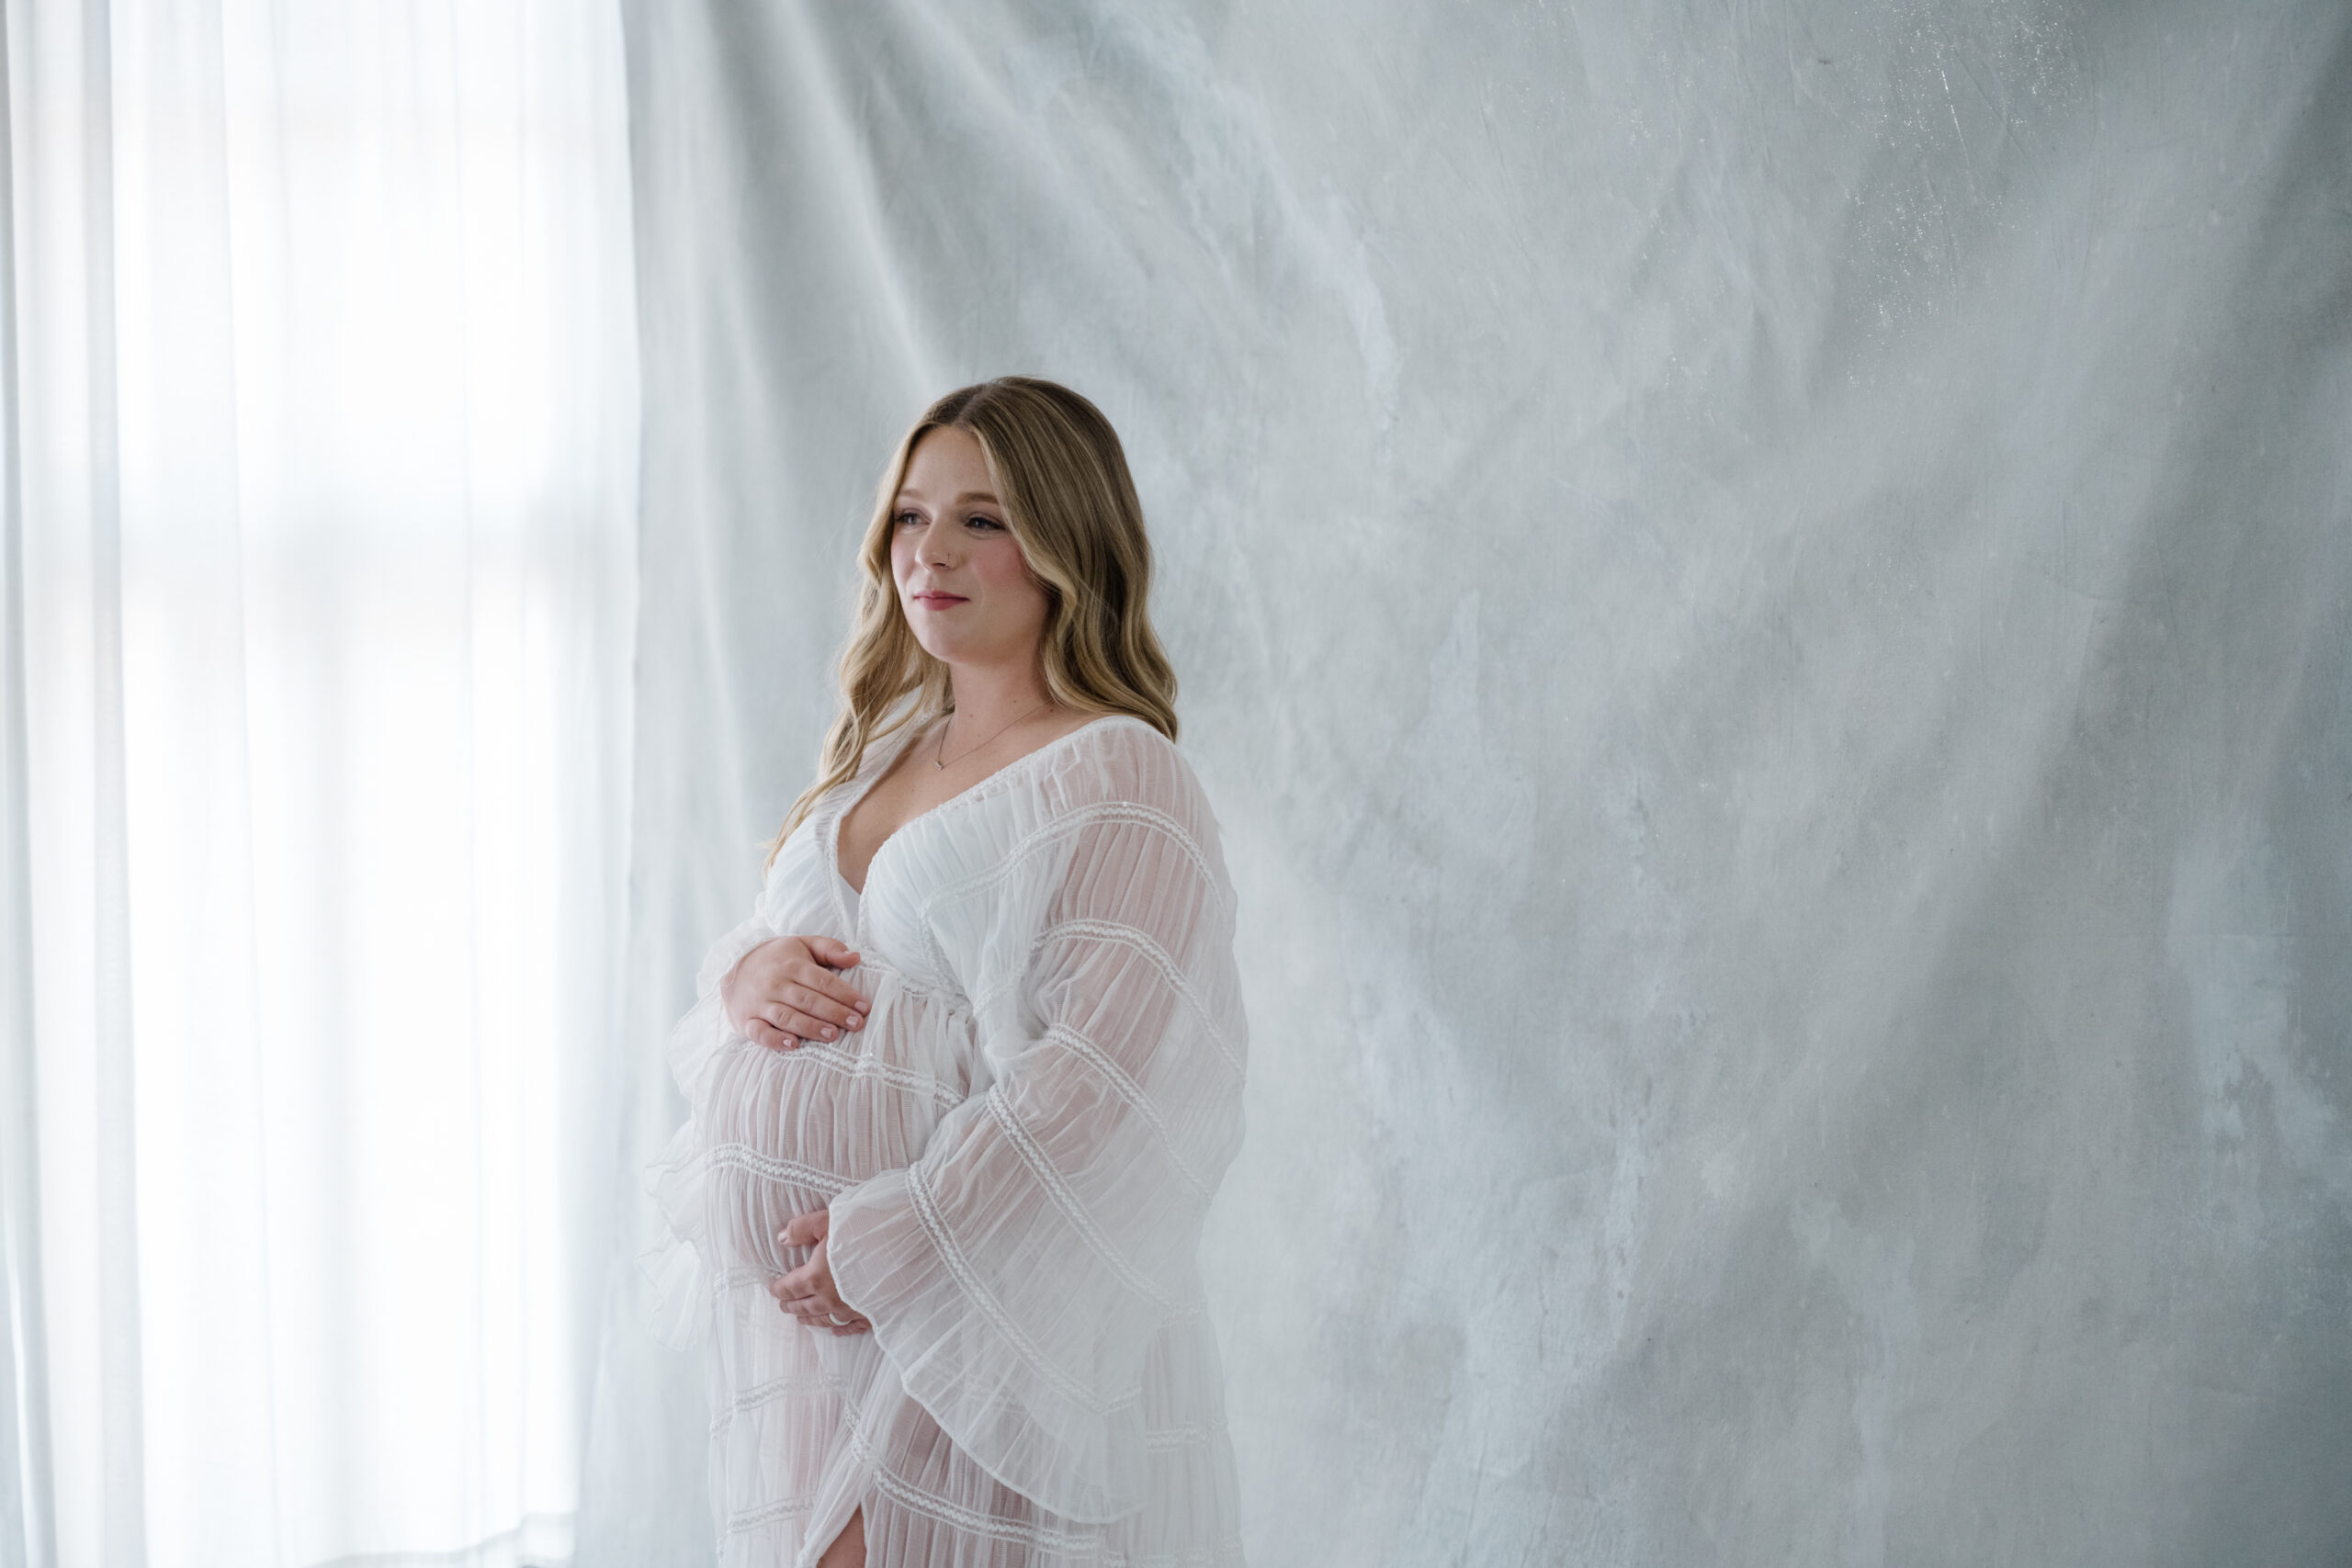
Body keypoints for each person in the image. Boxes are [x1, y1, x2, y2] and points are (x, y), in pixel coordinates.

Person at [645, 378, 1250, 1567]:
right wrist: (744, 974)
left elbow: (1102, 1082)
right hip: (816, 1349)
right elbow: (781, 950)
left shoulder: (1118, 775)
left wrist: (899, 1238)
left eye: (984, 519)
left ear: (1068, 541)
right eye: (912, 517)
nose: (933, 552)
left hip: (989, 1322)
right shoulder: (882, 755)